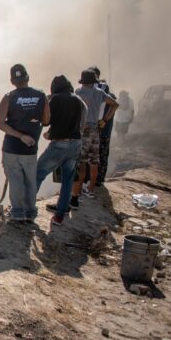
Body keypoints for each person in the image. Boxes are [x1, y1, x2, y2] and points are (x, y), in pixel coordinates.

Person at [0, 63, 50, 222]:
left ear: (12, 81)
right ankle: (30, 212)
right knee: (30, 180)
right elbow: (46, 120)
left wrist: (19, 136)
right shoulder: (41, 95)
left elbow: (0, 123)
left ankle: (18, 213)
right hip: (30, 148)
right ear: (28, 78)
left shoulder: (8, 97)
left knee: (15, 180)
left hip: (11, 148)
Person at [35, 75, 86, 226]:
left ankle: (27, 208)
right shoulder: (77, 99)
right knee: (68, 180)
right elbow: (81, 121)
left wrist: (46, 105)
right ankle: (59, 215)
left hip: (59, 145)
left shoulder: (55, 99)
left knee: (37, 173)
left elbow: (46, 121)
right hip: (75, 144)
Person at [71, 69, 119, 207]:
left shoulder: (78, 92)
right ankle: (90, 190)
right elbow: (115, 104)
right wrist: (104, 120)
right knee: (94, 161)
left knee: (81, 162)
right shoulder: (100, 92)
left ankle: (78, 192)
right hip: (96, 129)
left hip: (84, 129)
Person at [89, 67, 117, 185]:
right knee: (101, 154)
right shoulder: (105, 94)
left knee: (96, 155)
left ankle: (95, 181)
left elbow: (114, 106)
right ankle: (98, 180)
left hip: (100, 129)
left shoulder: (101, 93)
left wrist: (104, 120)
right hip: (101, 129)